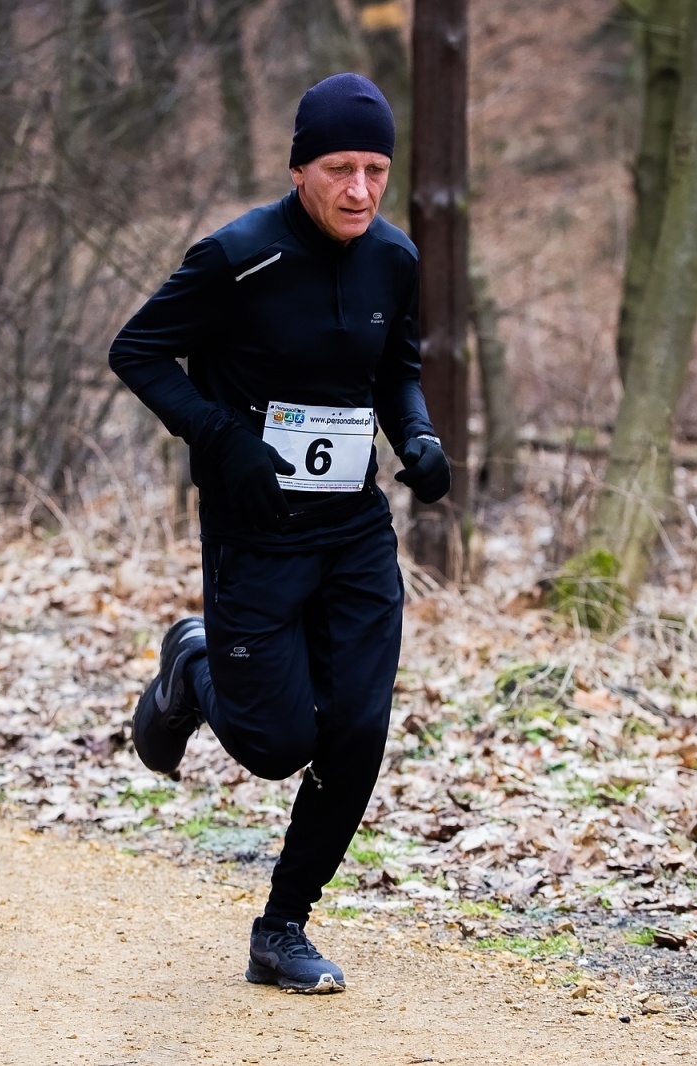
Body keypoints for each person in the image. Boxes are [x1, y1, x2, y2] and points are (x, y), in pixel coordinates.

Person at [107, 72, 450, 994]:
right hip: (256, 531)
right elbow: (137, 351)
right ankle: (194, 662)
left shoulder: (394, 259)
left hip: (354, 530)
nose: (360, 190)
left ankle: (283, 926)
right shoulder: (237, 256)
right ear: (300, 168)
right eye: (340, 168)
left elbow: (397, 372)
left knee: (357, 729)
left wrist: (417, 437)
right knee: (273, 745)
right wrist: (224, 439)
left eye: (376, 169)